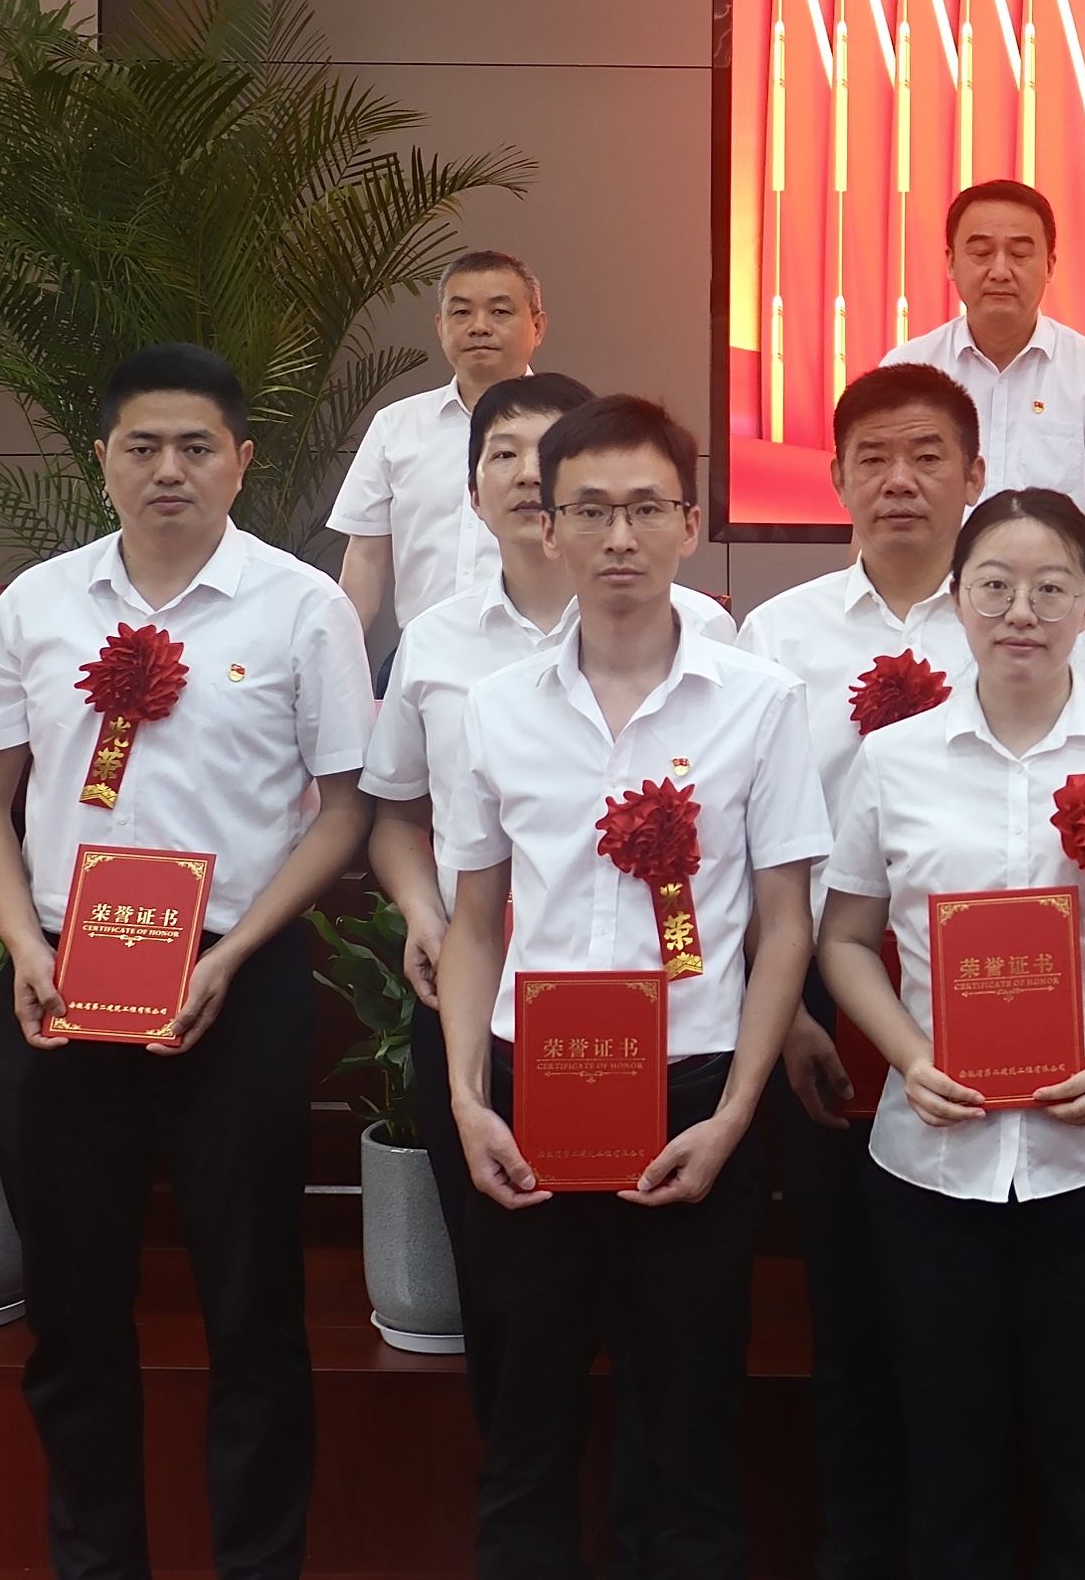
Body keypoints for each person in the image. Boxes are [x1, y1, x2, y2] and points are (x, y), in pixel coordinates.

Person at [0, 342, 377, 1580]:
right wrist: (22, 943)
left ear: (242, 460)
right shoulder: (37, 605)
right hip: (60, 983)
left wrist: (235, 952)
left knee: (255, 1311)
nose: (168, 469)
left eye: (196, 446)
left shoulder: (302, 607)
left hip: (234, 981)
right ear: (102, 461)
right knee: (72, 1313)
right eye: (142, 446)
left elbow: (344, 810)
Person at [436, 395, 828, 1580]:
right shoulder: (495, 710)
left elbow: (785, 921)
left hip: (695, 1091)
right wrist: (468, 1099)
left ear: (689, 523)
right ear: (549, 525)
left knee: (692, 1432)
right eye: (591, 509)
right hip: (531, 1096)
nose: (619, 536)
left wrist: (736, 1115)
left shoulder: (760, 701)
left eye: (646, 508)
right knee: (525, 1431)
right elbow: (473, 923)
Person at [817, 487, 1085, 1580]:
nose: (1022, 612)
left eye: (1052, 587)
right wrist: (908, 1055)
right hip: (931, 1171)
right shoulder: (893, 760)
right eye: (995, 585)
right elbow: (845, 938)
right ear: (958, 599)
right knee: (950, 1473)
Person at [360, 370, 737, 1439]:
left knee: (667, 1326)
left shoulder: (709, 636)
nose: (528, 474)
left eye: (549, 452)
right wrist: (423, 914)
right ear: (475, 491)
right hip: (491, 1010)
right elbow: (393, 816)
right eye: (503, 455)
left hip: (671, 1025)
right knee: (517, 1310)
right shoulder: (437, 643)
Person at [731, 361, 987, 1580]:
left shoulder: (1016, 615)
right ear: (834, 478)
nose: (901, 480)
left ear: (975, 476)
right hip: (824, 987)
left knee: (962, 1306)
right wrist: (783, 1013)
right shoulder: (776, 639)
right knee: (847, 1300)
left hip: (982, 990)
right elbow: (741, 845)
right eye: (874, 458)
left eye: (929, 456)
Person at [881, 178, 1085, 668]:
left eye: (1020, 253)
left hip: (1053, 624)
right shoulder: (908, 370)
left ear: (1050, 265)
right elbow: (876, 512)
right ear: (950, 263)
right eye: (981, 252)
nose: (1000, 270)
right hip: (927, 623)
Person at [334, 249, 549, 637]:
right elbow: (365, 559)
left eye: (499, 312)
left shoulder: (574, 427)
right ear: (440, 326)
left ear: (537, 326)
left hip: (539, 651)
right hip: (423, 655)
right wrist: (338, 656)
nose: (479, 327)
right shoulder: (395, 426)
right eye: (461, 312)